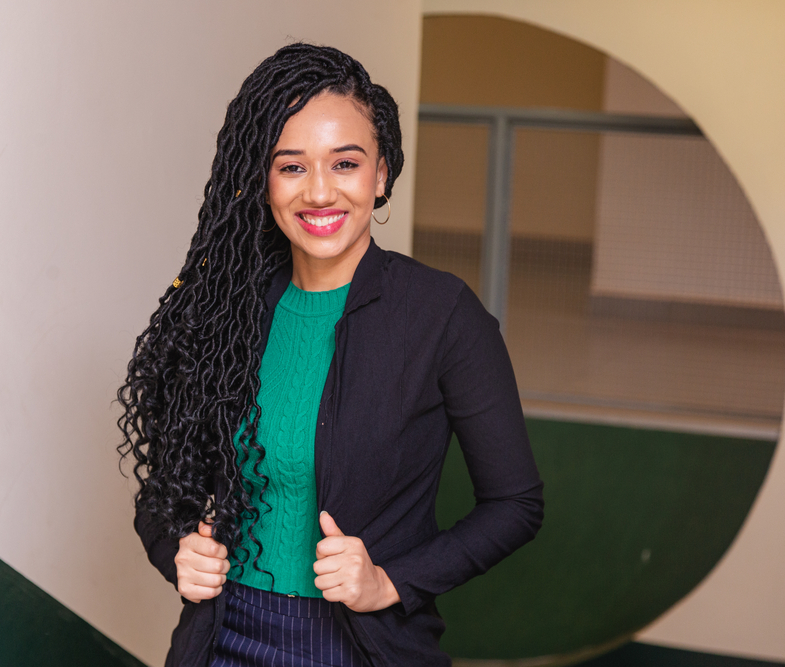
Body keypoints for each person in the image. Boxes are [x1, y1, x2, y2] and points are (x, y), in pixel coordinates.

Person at [117, 43, 544, 667]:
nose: (319, 192)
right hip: (222, 640)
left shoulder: (441, 315)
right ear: (262, 179)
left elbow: (515, 505)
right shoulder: (225, 308)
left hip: (359, 649)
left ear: (382, 173)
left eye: (345, 163)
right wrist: (176, 550)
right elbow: (163, 491)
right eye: (291, 167)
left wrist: (388, 582)